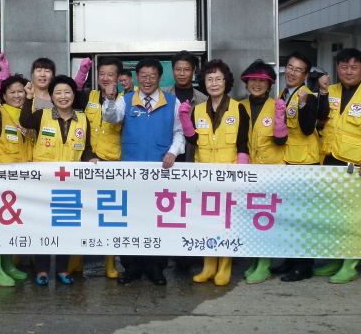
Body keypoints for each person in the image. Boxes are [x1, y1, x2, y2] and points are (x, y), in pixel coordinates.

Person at [102, 57, 185, 285]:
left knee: (157, 220)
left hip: (161, 172)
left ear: (160, 78)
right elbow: (111, 117)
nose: (148, 80)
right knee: (130, 219)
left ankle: (156, 268)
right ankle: (131, 267)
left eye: (152, 76)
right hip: (131, 172)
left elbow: (179, 132)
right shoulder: (125, 99)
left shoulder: (172, 102)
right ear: (136, 77)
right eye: (143, 76)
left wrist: (173, 152)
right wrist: (109, 99)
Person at [314, 48, 361, 284]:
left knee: (351, 217)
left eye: (354, 67)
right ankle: (335, 260)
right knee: (332, 217)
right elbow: (319, 119)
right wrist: (321, 92)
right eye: (344, 67)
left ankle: (349, 265)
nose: (349, 71)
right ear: (337, 68)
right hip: (329, 160)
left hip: (354, 164)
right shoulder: (328, 90)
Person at [21, 74, 99, 284]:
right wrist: (29, 98)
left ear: (73, 95)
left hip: (69, 183)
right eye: (58, 92)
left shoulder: (83, 119)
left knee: (65, 226)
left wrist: (91, 158)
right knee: (43, 225)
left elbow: (86, 148)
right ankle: (42, 270)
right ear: (52, 96)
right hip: (43, 183)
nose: (63, 96)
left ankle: (63, 269)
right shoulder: (42, 115)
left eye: (67, 92)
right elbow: (24, 121)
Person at [180, 59, 249, 286]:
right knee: (207, 222)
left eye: (218, 79)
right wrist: (185, 120)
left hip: (229, 175)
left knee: (227, 223)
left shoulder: (238, 108)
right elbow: (192, 140)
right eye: (209, 79)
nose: (214, 83)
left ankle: (224, 266)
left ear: (226, 82)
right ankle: (208, 266)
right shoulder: (198, 109)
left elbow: (243, 143)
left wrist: (240, 173)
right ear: (204, 83)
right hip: (204, 175)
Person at [271, 52, 329, 283]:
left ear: (305, 75)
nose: (292, 72)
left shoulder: (309, 96)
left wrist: (304, 105)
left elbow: (306, 129)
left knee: (302, 217)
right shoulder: (283, 94)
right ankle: (290, 260)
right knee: (288, 215)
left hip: (305, 163)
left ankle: (304, 266)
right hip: (287, 161)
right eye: (289, 67)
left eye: (298, 70)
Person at [74, 56, 125, 279]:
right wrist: (81, 72)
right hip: (87, 161)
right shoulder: (89, 96)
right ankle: (76, 262)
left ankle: (110, 263)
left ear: (118, 77)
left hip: (112, 164)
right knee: (81, 213)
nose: (105, 78)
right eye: (101, 73)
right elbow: (70, 94)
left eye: (110, 74)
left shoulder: (125, 100)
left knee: (110, 216)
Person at [238, 59, 287, 284]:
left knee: (266, 219)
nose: (256, 84)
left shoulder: (277, 105)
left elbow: (280, 141)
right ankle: (255, 261)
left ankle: (265, 264)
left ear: (269, 85)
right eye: (253, 80)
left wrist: (280, 120)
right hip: (249, 171)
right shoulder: (240, 106)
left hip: (272, 171)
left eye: (262, 81)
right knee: (251, 219)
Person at [0, 73, 31, 286]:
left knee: (13, 224)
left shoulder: (29, 114)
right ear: (4, 95)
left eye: (21, 91)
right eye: (12, 92)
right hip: (0, 179)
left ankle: (8, 264)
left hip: (22, 179)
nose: (17, 95)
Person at [161, 50, 208, 163]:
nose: (182, 73)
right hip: (165, 156)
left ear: (194, 71)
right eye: (178, 69)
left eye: (186, 69)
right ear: (172, 71)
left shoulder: (203, 100)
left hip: (192, 158)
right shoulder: (162, 96)